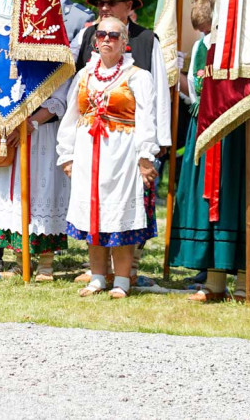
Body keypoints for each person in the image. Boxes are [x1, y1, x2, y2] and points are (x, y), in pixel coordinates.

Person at [170, 0, 250, 302]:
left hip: (246, 134)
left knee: (241, 201)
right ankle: (214, 283)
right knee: (210, 206)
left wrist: (246, 101)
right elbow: (194, 93)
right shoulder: (200, 47)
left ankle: (245, 284)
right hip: (207, 134)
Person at [71, 0, 169, 283]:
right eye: (101, 2)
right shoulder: (89, 36)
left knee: (134, 205)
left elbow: (161, 95)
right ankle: (98, 270)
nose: (104, 7)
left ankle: (130, 269)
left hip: (133, 138)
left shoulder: (146, 39)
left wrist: (159, 142)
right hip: (95, 140)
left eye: (112, 2)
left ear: (129, 6)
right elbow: (78, 84)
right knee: (97, 203)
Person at [57, 16, 157, 297]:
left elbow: (146, 120)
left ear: (125, 42)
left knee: (119, 215)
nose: (106, 39)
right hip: (89, 151)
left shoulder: (138, 77)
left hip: (122, 154)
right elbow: (71, 117)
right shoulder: (85, 75)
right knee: (93, 215)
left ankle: (123, 281)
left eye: (113, 35)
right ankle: (98, 277)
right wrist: (67, 154)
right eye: (101, 34)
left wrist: (145, 156)